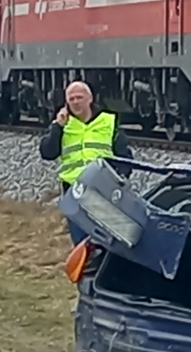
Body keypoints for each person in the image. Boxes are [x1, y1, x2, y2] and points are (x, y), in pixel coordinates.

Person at [38, 81, 133, 244]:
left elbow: (125, 157)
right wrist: (56, 127)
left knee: (108, 240)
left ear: (90, 98)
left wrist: (118, 179)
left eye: (79, 97)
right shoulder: (63, 125)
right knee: (82, 244)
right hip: (74, 191)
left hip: (103, 191)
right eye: (71, 99)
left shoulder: (108, 121)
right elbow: (47, 153)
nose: (75, 102)